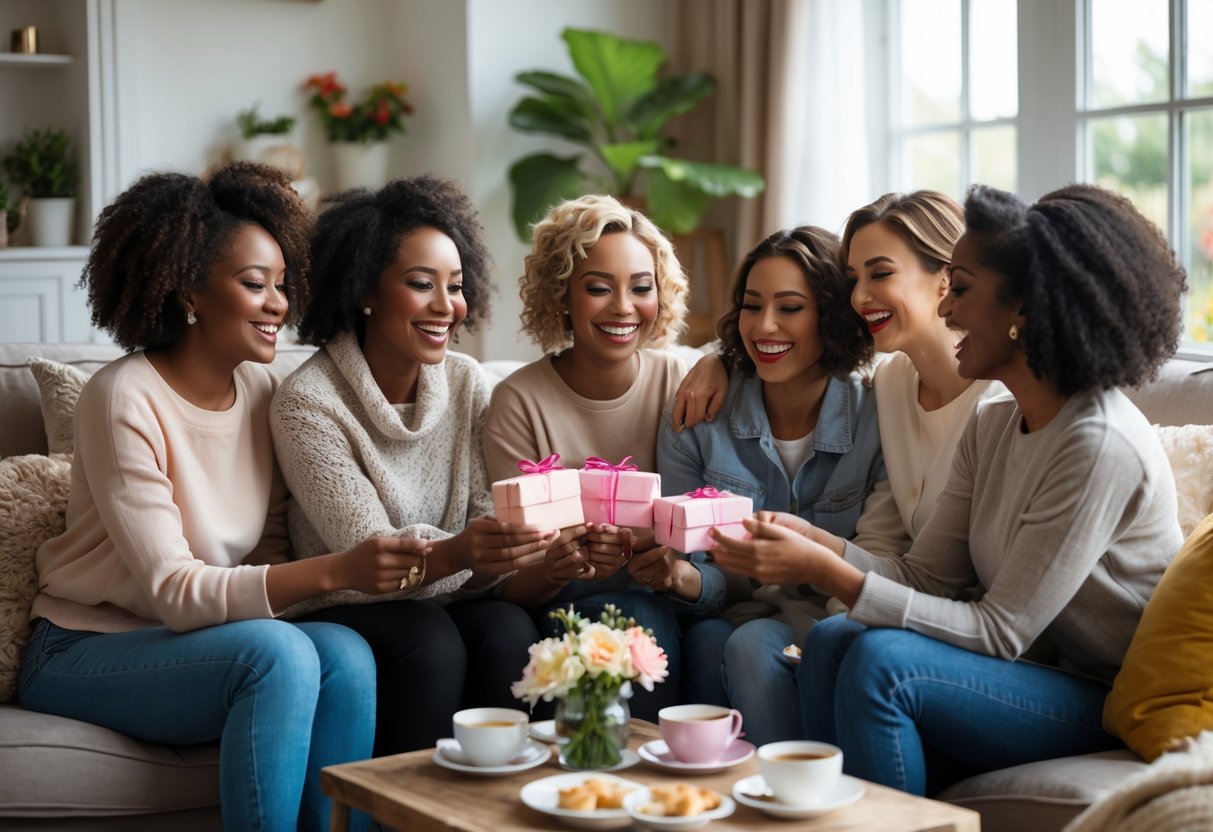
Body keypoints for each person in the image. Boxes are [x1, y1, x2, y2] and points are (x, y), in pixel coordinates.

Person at [712, 183, 1186, 795]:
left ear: (1023, 307)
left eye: (960, 290)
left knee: (885, 667)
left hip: (1110, 696)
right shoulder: (993, 421)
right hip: (1033, 674)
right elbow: (928, 576)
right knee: (832, 637)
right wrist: (819, 544)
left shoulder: (1096, 443)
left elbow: (1000, 631)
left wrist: (832, 575)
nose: (946, 310)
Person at [18, 163, 417, 831]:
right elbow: (174, 590)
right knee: (280, 654)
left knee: (346, 654)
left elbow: (262, 550)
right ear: (188, 293)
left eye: (282, 286)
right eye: (254, 285)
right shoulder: (123, 398)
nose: (277, 305)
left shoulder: (264, 393)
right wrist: (340, 570)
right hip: (82, 650)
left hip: (200, 640)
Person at [270, 176, 554, 752]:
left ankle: (497, 811)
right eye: (422, 285)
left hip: (446, 598)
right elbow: (370, 551)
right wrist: (464, 550)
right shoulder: (307, 402)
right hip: (346, 604)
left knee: (510, 631)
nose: (447, 307)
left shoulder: (468, 382)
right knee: (428, 639)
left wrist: (503, 549)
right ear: (366, 290)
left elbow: (483, 520)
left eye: (455, 286)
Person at [656, 226, 884, 745]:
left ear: (831, 312)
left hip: (836, 613)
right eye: (751, 306)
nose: (765, 326)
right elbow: (701, 570)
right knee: (716, 636)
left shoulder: (876, 410)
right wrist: (677, 577)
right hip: (731, 609)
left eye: (790, 307)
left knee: (745, 639)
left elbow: (881, 557)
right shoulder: (699, 414)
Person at [482, 194, 700, 720]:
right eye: (598, 288)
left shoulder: (683, 381)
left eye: (641, 288)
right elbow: (513, 580)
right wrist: (558, 567)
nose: (624, 307)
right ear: (562, 296)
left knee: (648, 610)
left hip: (672, 600)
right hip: (566, 609)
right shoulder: (518, 401)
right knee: (626, 610)